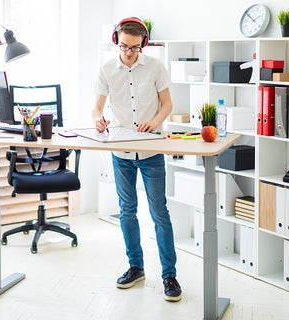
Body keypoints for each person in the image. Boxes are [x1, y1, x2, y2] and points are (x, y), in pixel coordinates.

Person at [92, 17, 181, 302]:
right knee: (127, 211)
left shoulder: (156, 66)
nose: (128, 53)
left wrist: (153, 123)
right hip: (121, 153)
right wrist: (99, 121)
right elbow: (96, 108)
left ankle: (170, 275)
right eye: (123, 46)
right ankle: (136, 267)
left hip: (151, 152)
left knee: (159, 213)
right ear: (115, 41)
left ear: (143, 43)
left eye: (134, 47)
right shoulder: (107, 69)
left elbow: (167, 104)